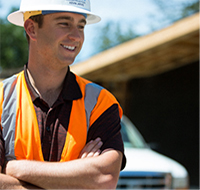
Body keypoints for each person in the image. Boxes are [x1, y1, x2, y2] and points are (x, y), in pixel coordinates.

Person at [0, 0, 126, 189]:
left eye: (81, 26)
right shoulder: (2, 99)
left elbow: (104, 178)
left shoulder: (101, 103)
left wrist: (14, 168)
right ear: (31, 28)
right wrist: (78, 177)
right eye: (64, 23)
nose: (76, 36)